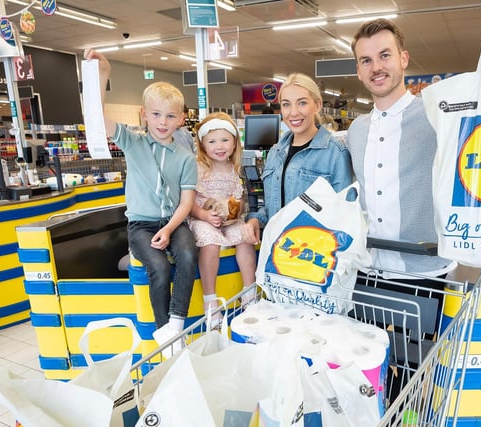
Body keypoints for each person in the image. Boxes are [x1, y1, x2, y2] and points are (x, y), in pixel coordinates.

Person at [346, 12, 481, 278]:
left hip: (427, 270)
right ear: (359, 71)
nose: (376, 68)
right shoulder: (355, 130)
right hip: (366, 269)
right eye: (366, 60)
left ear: (403, 59)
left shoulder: (440, 116)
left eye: (385, 55)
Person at [83, 49, 198, 342]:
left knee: (186, 254)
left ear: (181, 119)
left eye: (170, 116)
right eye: (156, 114)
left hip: (174, 222)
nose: (162, 121)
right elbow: (97, 119)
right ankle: (164, 333)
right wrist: (103, 75)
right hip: (141, 226)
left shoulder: (185, 158)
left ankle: (176, 322)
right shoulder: (133, 143)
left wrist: (170, 229)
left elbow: (187, 203)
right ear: (144, 114)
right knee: (158, 266)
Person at [242, 73, 354, 244]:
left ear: (317, 105)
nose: (293, 112)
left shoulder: (335, 153)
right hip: (275, 251)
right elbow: (272, 206)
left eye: (302, 103)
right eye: (286, 104)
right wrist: (256, 220)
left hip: (313, 256)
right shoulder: (275, 152)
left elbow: (345, 212)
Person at [188, 112, 257, 323]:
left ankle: (249, 292)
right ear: (203, 145)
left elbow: (239, 199)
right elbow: (188, 202)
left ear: (235, 142)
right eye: (212, 141)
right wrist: (205, 215)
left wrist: (236, 209)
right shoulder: (198, 168)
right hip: (201, 219)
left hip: (228, 220)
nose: (219, 146)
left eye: (225, 140)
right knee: (211, 243)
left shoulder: (234, 169)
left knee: (245, 237)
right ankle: (210, 298)